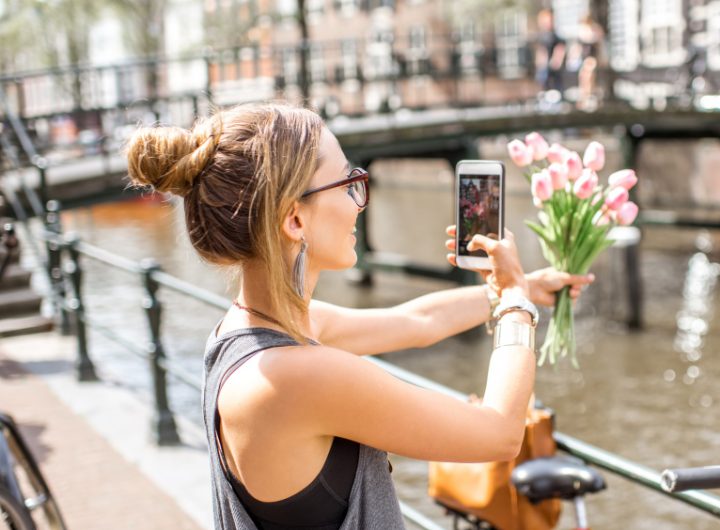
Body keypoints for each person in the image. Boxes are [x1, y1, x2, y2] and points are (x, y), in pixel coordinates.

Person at [124, 103, 593, 530]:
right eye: (349, 183)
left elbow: (416, 323)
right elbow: (498, 435)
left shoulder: (250, 331)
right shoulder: (298, 377)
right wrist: (516, 306)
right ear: (294, 220)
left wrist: (525, 286)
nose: (358, 201)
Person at [574, 14, 604, 110]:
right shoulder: (582, 31)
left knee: (589, 73)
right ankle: (584, 95)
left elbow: (599, 46)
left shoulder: (595, 30)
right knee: (583, 76)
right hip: (584, 59)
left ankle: (589, 94)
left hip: (592, 58)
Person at [534, 9, 566, 96]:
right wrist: (540, 62)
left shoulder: (555, 37)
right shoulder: (542, 37)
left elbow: (560, 49)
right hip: (545, 66)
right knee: (543, 80)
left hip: (553, 66)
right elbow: (541, 51)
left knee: (556, 83)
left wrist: (556, 60)